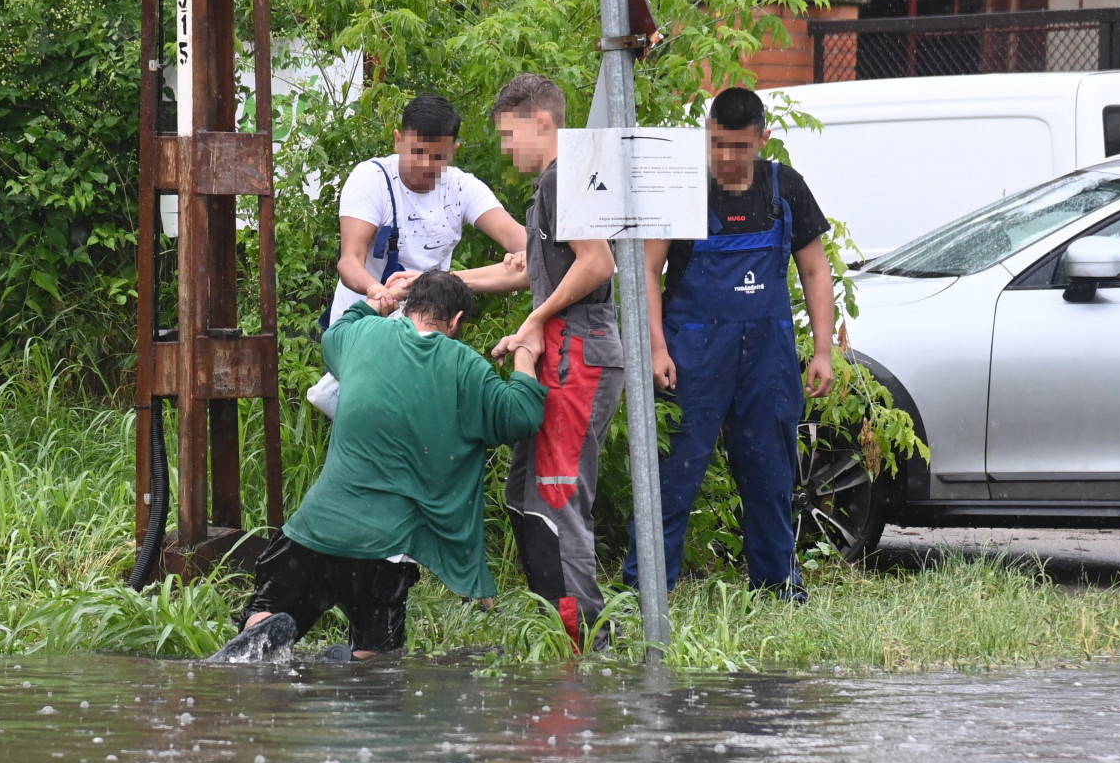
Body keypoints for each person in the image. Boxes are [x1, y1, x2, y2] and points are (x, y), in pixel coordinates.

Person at [211, 271, 547, 663]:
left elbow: (337, 331)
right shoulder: (464, 366)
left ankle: (259, 628)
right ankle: (357, 663)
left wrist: (382, 299)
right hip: (385, 549)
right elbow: (521, 415)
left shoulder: (361, 337)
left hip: (318, 527)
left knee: (267, 607)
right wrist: (524, 353)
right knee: (379, 652)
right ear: (455, 321)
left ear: (409, 306)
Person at [627, 86, 837, 598]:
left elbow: (814, 269)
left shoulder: (784, 187)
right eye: (718, 144)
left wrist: (824, 352)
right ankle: (646, 589)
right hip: (691, 356)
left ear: (763, 139)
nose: (727, 157)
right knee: (673, 478)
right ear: (707, 135)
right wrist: (656, 346)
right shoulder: (684, 188)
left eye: (739, 147)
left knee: (771, 476)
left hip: (768, 357)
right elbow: (648, 271)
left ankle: (777, 584)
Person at [487, 73, 627, 652]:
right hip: (565, 349)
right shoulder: (552, 183)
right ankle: (553, 625)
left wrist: (535, 321)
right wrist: (431, 282)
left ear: (539, 120)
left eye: (507, 133)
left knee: (557, 495)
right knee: (525, 495)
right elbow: (525, 268)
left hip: (579, 352)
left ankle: (587, 640)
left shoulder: (565, 175)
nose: (504, 147)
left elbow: (597, 264)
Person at [330, 93, 529, 325]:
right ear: (398, 140)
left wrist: (524, 252)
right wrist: (377, 291)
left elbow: (522, 240)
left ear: (454, 150)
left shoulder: (462, 187)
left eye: (438, 157)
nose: (425, 164)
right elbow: (350, 260)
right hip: (363, 327)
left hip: (425, 333)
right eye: (417, 152)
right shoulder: (371, 179)